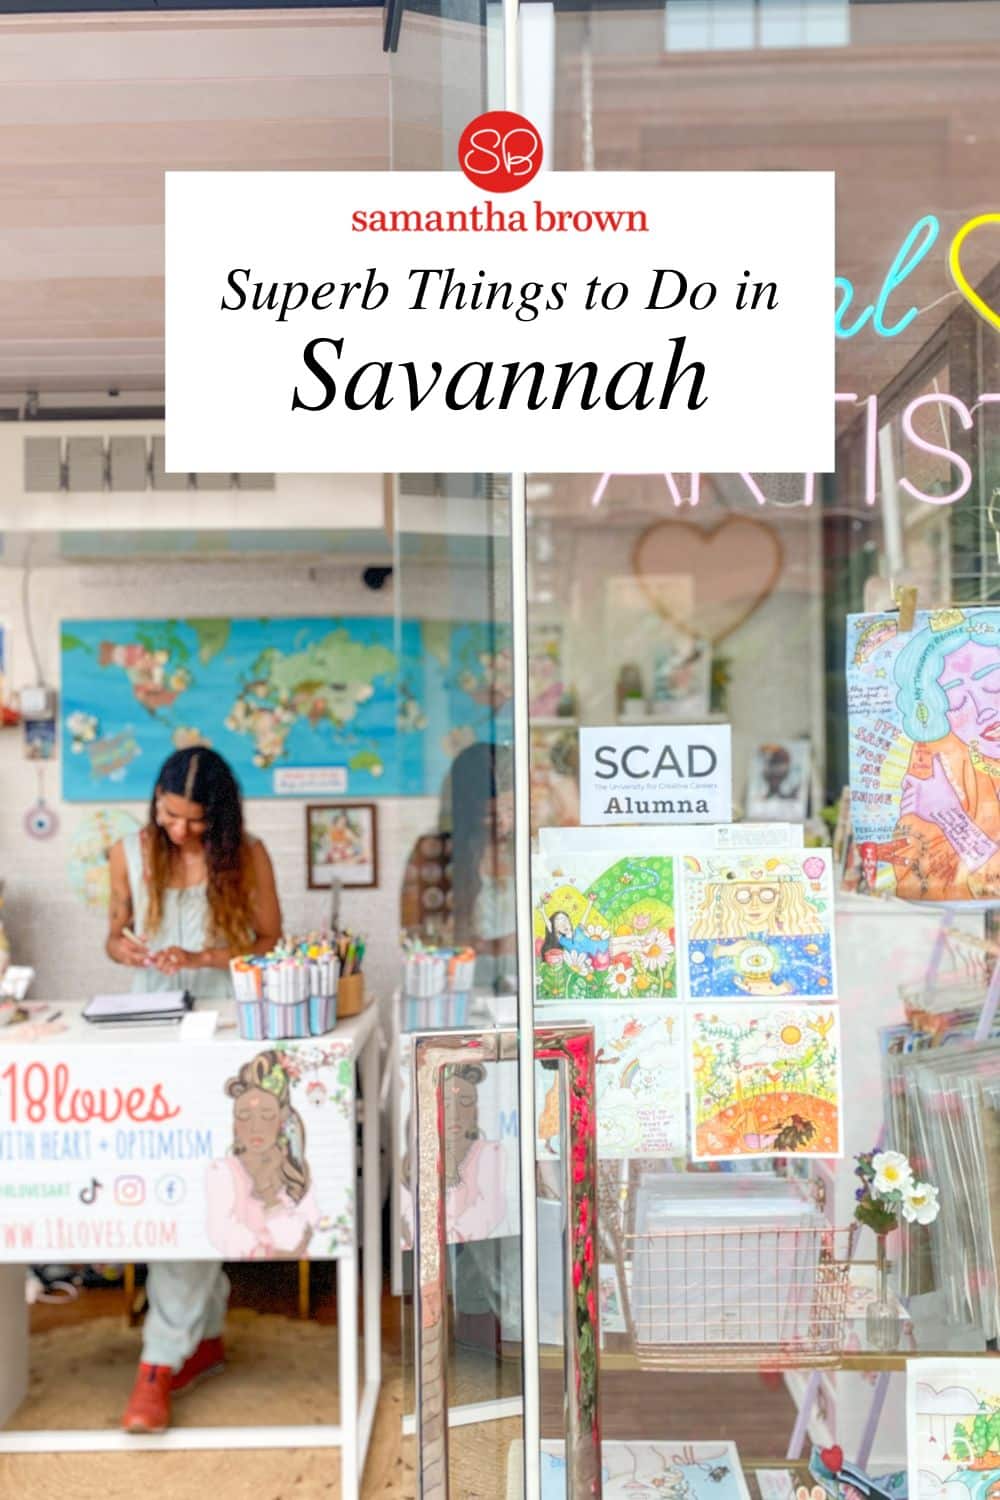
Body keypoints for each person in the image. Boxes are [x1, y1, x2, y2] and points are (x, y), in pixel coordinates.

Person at [105, 746, 281, 1434]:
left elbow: (270, 942)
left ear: (222, 817)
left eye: (195, 821)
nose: (177, 830)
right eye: (168, 815)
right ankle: (195, 1336)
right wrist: (125, 946)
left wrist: (204, 957)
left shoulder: (249, 855)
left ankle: (161, 1356)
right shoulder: (127, 852)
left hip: (225, 1030)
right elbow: (113, 934)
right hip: (149, 1028)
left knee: (206, 1180)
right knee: (170, 1181)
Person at [892, 613, 1000, 899]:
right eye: (956, 700)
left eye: (993, 684)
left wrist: (950, 816)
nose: (983, 710)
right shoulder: (939, 762)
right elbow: (916, 882)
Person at [206, 1049, 323, 1260]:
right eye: (244, 1115)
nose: (255, 1127)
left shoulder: (296, 1172)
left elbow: (297, 1239)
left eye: (266, 1115)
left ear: (281, 1121)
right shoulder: (222, 1172)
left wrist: (268, 1191)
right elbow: (222, 1236)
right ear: (235, 1124)